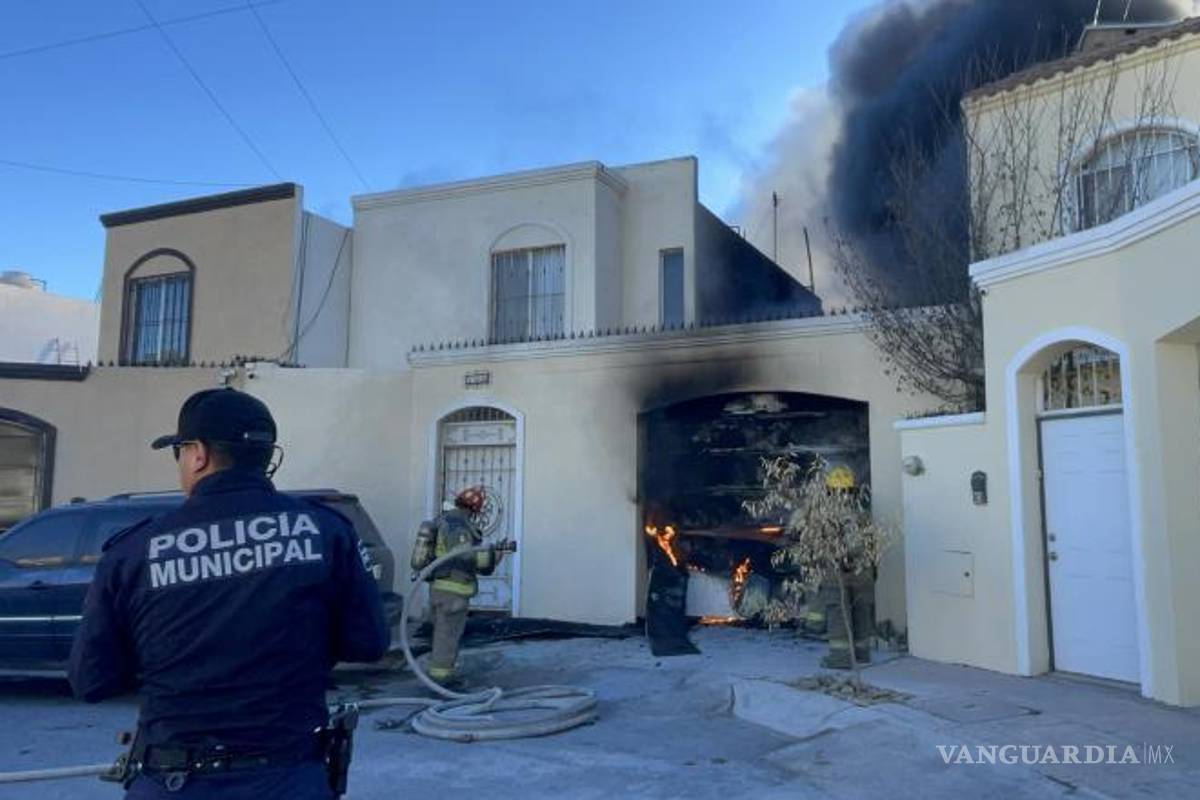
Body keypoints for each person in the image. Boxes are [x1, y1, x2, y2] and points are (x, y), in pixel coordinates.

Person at [68, 388, 390, 799]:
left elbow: (90, 680)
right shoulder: (327, 531)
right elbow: (368, 644)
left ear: (198, 454)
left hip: (177, 781)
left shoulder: (136, 551)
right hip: (288, 779)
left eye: (179, 452)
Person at [411, 487, 512, 688]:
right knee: (447, 637)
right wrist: (495, 555)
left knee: (441, 634)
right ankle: (442, 681)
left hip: (440, 587)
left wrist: (493, 553)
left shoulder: (443, 520)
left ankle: (438, 673)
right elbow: (466, 556)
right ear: (475, 509)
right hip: (454, 591)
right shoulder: (458, 525)